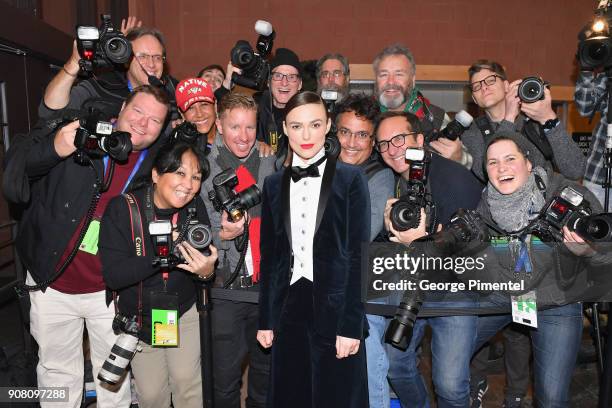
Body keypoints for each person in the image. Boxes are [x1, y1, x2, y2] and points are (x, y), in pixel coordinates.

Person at [4, 85, 170, 408]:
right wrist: (56, 147)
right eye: (138, 111)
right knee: (56, 375)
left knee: (114, 380)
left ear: (162, 129)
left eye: (154, 120)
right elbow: (22, 172)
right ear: (122, 107)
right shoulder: (79, 131)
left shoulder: (155, 168)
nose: (142, 123)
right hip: (51, 283)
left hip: (109, 292)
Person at [470, 132, 602, 407]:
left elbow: (605, 256)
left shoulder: (567, 194)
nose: (501, 168)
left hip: (558, 300)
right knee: (452, 344)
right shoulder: (486, 203)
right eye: (492, 162)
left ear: (528, 163)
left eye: (509, 159)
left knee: (551, 398)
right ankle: (475, 385)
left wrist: (587, 251)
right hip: (508, 294)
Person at [257, 91, 370, 407]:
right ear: (284, 128)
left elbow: (360, 256)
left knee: (336, 397)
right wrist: (266, 318)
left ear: (328, 125)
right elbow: (271, 257)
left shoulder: (351, 179)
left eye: (314, 124)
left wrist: (351, 325)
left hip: (336, 308)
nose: (305, 135)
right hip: (288, 307)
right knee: (290, 396)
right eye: (296, 126)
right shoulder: (272, 184)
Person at [376, 111, 483, 408]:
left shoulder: (453, 178)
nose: (392, 149)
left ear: (420, 139)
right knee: (395, 364)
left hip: (456, 290)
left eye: (399, 139)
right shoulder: (395, 181)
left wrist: (425, 240)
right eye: (383, 144)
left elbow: (474, 248)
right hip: (413, 285)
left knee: (449, 386)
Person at [100, 141, 217, 408]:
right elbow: (114, 276)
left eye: (196, 177)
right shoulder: (123, 209)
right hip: (140, 317)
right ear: (155, 174)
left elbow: (204, 265)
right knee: (152, 396)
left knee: (187, 385)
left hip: (183, 309)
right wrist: (161, 256)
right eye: (179, 172)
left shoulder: (193, 207)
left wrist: (206, 271)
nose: (188, 184)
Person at [203, 93, 276, 408]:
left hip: (267, 288)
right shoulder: (204, 169)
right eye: (235, 127)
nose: (244, 137)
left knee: (265, 377)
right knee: (225, 382)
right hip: (225, 291)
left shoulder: (271, 162)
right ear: (219, 124)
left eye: (250, 127)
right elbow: (197, 229)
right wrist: (223, 234)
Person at [462, 60, 585, 182]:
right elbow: (488, 176)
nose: (484, 87)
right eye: (477, 86)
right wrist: (509, 118)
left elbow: (575, 170)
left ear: (506, 86)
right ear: (474, 99)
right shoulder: (471, 133)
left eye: (490, 80)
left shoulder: (535, 120)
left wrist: (548, 117)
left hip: (545, 199)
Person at [41, 25, 178, 121]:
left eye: (157, 57)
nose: (152, 64)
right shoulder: (101, 87)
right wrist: (74, 63)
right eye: (142, 56)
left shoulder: (173, 92)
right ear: (126, 59)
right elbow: (49, 112)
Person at [372, 43, 472, 168]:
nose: (391, 82)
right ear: (376, 80)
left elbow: (471, 166)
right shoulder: (365, 118)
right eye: (383, 75)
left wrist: (459, 158)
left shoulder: (435, 118)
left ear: (412, 80)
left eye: (399, 74)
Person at [574, 67, 611, 208]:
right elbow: (585, 108)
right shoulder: (609, 72)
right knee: (591, 227)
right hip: (599, 173)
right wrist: (586, 68)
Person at [255, 48, 303, 155]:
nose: (284, 83)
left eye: (291, 77)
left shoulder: (307, 116)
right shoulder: (254, 110)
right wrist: (255, 144)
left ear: (300, 84)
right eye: (278, 76)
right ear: (268, 82)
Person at [175, 77, 217, 150]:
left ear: (215, 105)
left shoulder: (234, 134)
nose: (199, 114)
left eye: (204, 104)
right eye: (190, 108)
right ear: (181, 113)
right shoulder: (178, 148)